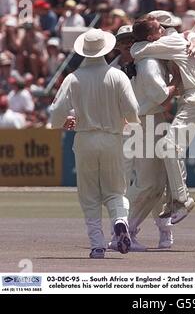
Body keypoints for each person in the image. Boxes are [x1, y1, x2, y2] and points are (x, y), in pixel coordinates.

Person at [49, 28, 140, 259]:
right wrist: (128, 121)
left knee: (89, 195)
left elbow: (56, 111)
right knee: (116, 191)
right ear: (106, 50)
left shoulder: (73, 78)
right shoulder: (117, 75)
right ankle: (120, 222)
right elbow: (133, 110)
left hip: (85, 138)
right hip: (112, 138)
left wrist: (63, 121)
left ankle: (97, 244)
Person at [131, 15, 195, 225]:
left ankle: (182, 200)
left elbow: (136, 51)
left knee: (168, 148)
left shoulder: (168, 41)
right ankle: (174, 201)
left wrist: (192, 37)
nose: (162, 31)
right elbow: (188, 33)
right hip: (191, 99)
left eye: (161, 28)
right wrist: (193, 37)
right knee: (171, 149)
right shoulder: (174, 42)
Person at [109, 24, 177, 251]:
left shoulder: (149, 61)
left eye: (131, 41)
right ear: (118, 45)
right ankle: (121, 230)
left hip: (147, 124)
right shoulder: (112, 70)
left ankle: (163, 229)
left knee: (154, 180)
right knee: (126, 185)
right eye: (124, 42)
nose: (128, 45)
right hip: (123, 130)